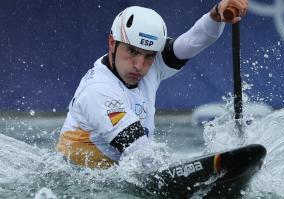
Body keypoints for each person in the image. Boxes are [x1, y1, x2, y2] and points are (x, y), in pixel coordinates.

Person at [57, 0, 248, 169]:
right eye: (132, 51)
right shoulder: (97, 91)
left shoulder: (152, 61)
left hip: (116, 174)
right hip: (77, 182)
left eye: (149, 56)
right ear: (112, 42)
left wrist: (216, 14)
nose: (140, 65)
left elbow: (193, 41)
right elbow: (140, 154)